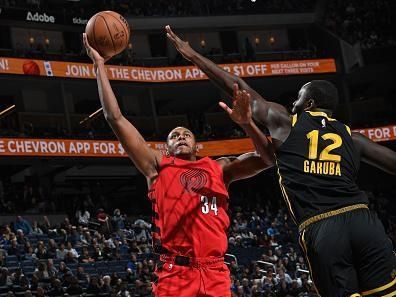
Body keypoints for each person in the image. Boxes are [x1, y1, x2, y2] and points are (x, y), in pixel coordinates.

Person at [165, 25, 396, 296]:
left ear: (308, 103)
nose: (293, 102)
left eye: (298, 98)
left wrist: (194, 56)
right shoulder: (353, 138)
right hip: (364, 222)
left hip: (323, 226)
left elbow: (242, 92)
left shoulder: (286, 122)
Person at [83, 33, 274, 297]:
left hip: (215, 271)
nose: (181, 136)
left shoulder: (219, 168)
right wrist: (99, 66)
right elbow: (114, 118)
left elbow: (268, 159)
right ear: (167, 148)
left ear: (197, 147)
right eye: (174, 135)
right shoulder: (157, 167)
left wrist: (247, 124)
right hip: (175, 273)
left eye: (186, 134)